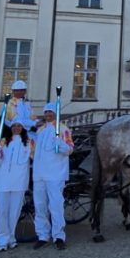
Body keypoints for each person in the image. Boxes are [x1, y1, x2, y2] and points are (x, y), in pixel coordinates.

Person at [32, 102, 74, 250]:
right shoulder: (39, 131)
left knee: (55, 206)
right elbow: (33, 152)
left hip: (56, 173)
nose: (48, 115)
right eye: (46, 112)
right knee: (40, 206)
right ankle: (43, 235)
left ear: (55, 114)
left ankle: (59, 236)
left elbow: (69, 149)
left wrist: (60, 144)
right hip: (39, 174)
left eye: (51, 112)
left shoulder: (63, 129)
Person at [0, 118, 33, 252]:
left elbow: (36, 157)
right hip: (3, 180)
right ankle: (1, 240)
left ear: (23, 128)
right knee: (2, 211)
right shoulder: (3, 142)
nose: (16, 128)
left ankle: (11, 238)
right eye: (14, 126)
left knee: (14, 212)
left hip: (19, 181)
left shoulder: (29, 143)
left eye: (19, 125)